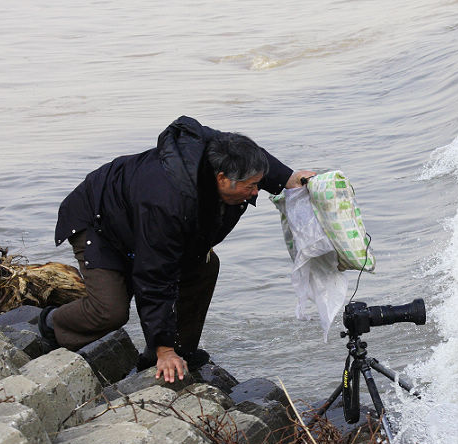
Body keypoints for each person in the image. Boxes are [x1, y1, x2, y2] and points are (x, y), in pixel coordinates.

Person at [39, 115, 314, 383]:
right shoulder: (168, 202)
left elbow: (255, 160)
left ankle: (180, 350)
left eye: (258, 184)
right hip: (99, 220)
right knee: (111, 311)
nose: (256, 192)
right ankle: (52, 323)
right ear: (221, 178)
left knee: (204, 266)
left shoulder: (224, 152)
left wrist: (289, 178)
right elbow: (154, 276)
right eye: (252, 186)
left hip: (139, 217)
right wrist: (163, 349)